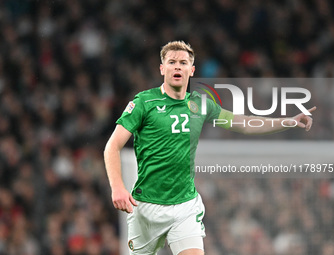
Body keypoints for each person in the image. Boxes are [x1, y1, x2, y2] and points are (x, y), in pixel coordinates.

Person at [103, 41, 316, 255]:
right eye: (172, 62)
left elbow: (245, 124)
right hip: (146, 207)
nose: (177, 67)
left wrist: (288, 121)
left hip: (184, 205)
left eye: (183, 62)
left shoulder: (201, 104)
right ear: (162, 68)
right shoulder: (144, 103)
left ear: (192, 70)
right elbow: (112, 146)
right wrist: (118, 187)